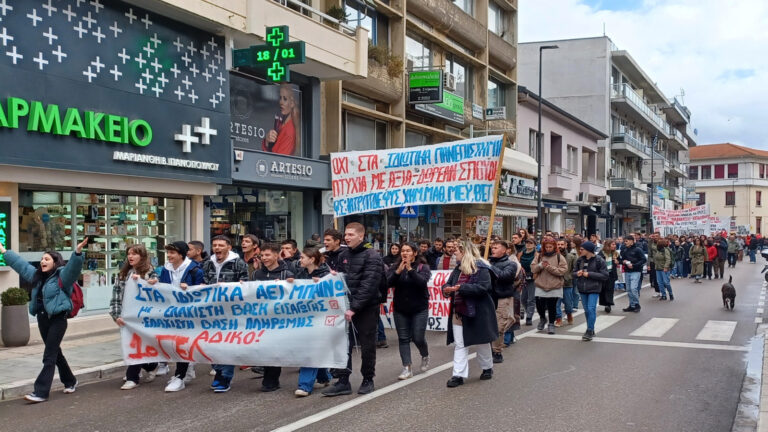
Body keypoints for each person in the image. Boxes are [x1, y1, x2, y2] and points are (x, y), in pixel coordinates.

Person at [0, 238, 87, 403]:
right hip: (42, 318)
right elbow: (20, 265)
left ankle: (41, 392)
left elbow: (73, 270)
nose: (42, 261)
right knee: (55, 353)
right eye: (42, 259)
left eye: (47, 259)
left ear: (55, 262)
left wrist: (77, 254)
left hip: (58, 319)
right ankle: (70, 381)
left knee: (49, 355)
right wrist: (4, 251)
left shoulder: (63, 277)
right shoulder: (37, 276)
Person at [323, 223, 384, 396]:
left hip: (365, 309)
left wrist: (354, 307)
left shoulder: (372, 256)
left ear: (360, 236)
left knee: (367, 346)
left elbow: (369, 285)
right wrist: (334, 277)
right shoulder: (344, 254)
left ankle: (367, 379)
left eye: (350, 235)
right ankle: (343, 381)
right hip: (345, 307)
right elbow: (342, 279)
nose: (347, 238)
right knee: (343, 345)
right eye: (346, 235)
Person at [442, 240, 498, 388]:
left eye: (457, 252)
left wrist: (462, 288)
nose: (455, 255)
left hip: (478, 311)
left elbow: (483, 287)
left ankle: (487, 368)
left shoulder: (482, 268)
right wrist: (447, 289)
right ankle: (458, 375)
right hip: (459, 311)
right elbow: (448, 283)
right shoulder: (458, 269)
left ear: (465, 252)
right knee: (460, 344)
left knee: (482, 341)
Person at [109, 244, 159, 390]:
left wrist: (149, 283)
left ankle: (132, 377)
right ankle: (151, 365)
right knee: (130, 345)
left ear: (142, 256)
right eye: (129, 254)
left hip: (143, 317)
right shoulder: (124, 273)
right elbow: (116, 295)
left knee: (137, 346)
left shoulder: (150, 273)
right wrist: (116, 314)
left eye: (134, 254)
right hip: (127, 317)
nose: (130, 257)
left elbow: (156, 295)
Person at [156, 241, 204, 391]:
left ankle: (179, 377)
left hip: (189, 315)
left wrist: (190, 289)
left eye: (172, 253)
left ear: (181, 254)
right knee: (173, 344)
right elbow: (163, 288)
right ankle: (187, 367)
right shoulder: (166, 269)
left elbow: (201, 292)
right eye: (168, 253)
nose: (169, 256)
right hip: (170, 313)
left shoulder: (195, 270)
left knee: (182, 343)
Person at [203, 235, 249, 393]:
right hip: (212, 310)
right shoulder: (208, 263)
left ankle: (225, 378)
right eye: (214, 245)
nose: (217, 248)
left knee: (227, 343)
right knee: (213, 343)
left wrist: (228, 288)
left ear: (228, 247)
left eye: (220, 245)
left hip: (231, 311)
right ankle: (218, 371)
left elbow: (245, 285)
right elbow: (204, 281)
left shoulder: (238, 263)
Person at [250, 243, 295, 392]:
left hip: (279, 319)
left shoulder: (286, 274)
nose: (264, 258)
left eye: (268, 255)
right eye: (262, 255)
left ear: (277, 255)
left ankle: (271, 380)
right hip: (261, 318)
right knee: (264, 348)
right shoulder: (256, 275)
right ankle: (269, 377)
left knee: (275, 348)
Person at [386, 242, 431, 380]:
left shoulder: (423, 267)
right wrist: (398, 272)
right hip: (401, 309)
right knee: (403, 338)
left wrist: (410, 270)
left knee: (417, 337)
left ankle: (424, 355)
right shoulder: (395, 267)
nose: (404, 253)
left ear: (415, 253)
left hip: (419, 308)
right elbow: (387, 283)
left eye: (408, 251)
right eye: (403, 251)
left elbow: (422, 283)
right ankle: (407, 368)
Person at [292, 247, 332, 397]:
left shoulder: (326, 275)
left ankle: (305, 385)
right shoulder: (300, 274)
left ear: (312, 259)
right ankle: (324, 376)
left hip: (320, 318)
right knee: (312, 349)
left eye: (302, 257)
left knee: (311, 349)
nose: (300, 260)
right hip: (304, 318)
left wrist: (321, 284)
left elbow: (333, 294)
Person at [488, 240, 518, 363]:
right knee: (489, 324)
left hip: (502, 297)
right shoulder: (488, 262)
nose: (493, 249)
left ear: (504, 250)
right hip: (489, 297)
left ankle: (497, 351)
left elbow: (505, 277)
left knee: (499, 326)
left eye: (496, 247)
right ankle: (489, 347)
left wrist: (489, 267)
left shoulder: (511, 264)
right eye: (492, 247)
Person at [531, 237, 568, 334]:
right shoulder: (539, 256)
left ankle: (551, 323)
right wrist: (540, 266)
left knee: (552, 306)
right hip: (541, 284)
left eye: (550, 247)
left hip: (554, 285)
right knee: (539, 305)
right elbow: (533, 269)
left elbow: (562, 271)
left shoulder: (559, 257)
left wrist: (548, 267)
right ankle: (543, 318)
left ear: (554, 247)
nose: (548, 249)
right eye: (546, 247)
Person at [573, 241, 609, 341]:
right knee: (587, 310)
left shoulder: (599, 260)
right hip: (582, 288)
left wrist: (589, 274)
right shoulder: (580, 260)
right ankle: (591, 328)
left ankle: (589, 330)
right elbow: (573, 273)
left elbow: (605, 275)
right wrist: (577, 274)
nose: (580, 251)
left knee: (591, 308)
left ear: (588, 250)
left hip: (594, 288)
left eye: (582, 249)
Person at [263, 84, 298, 155]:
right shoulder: (281, 122)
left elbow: (278, 161)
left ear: (292, 103)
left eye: (285, 99)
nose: (281, 102)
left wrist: (267, 144)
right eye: (280, 98)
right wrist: (267, 140)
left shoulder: (290, 131)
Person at [619, 236, 646, 312]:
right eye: (625, 241)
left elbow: (643, 259)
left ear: (632, 241)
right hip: (627, 271)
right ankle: (632, 305)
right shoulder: (624, 250)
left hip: (636, 271)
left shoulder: (638, 250)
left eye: (627, 241)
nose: (625, 242)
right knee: (628, 289)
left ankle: (637, 304)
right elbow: (621, 260)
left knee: (633, 288)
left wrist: (634, 265)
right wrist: (622, 262)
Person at [555, 238, 577, 326]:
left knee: (568, 303)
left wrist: (569, 277)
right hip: (555, 284)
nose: (560, 246)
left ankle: (569, 314)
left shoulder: (571, 256)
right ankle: (558, 318)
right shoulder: (553, 256)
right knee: (556, 303)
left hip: (567, 284)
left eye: (562, 244)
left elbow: (575, 269)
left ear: (566, 245)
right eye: (558, 244)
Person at [518, 238, 538, 325]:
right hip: (523, 277)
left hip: (533, 277)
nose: (528, 244)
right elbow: (518, 263)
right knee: (523, 298)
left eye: (530, 243)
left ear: (534, 245)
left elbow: (538, 266)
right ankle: (527, 311)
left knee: (531, 298)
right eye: (527, 243)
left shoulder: (537, 254)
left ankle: (529, 317)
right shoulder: (521, 253)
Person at [598, 239, 618, 313]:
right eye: (613, 244)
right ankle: (605, 303)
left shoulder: (615, 253)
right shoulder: (601, 253)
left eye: (615, 244)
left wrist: (617, 261)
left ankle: (608, 304)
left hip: (611, 273)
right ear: (608, 245)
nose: (614, 246)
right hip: (603, 274)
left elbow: (620, 260)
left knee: (610, 289)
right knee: (603, 289)